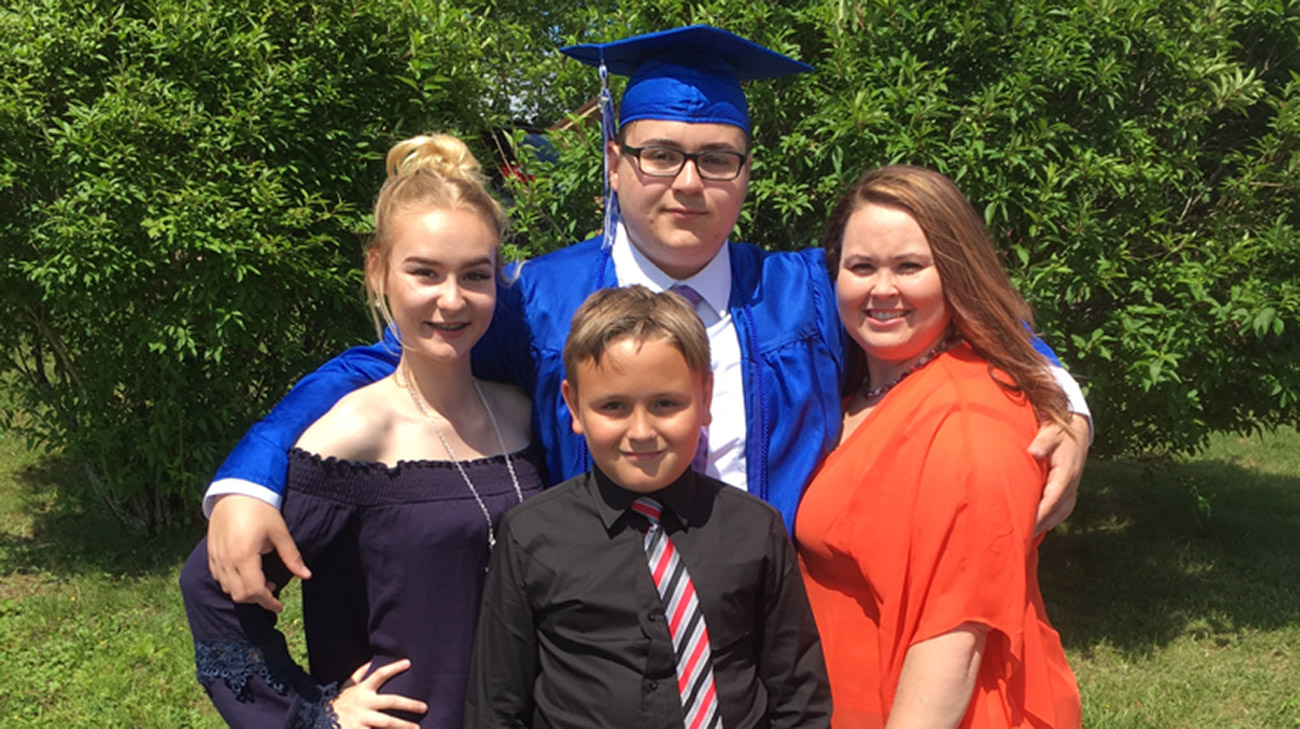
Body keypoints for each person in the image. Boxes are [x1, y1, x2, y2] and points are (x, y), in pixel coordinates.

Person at [199, 25, 1092, 615]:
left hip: (780, 632)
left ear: (747, 174)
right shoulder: (536, 298)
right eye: (660, 153)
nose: (688, 182)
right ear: (616, 165)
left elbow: (959, 312)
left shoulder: (805, 292)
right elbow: (388, 361)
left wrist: (1061, 398)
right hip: (594, 635)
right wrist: (251, 475)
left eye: (717, 158)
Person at [178, 133, 545, 729]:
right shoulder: (352, 436)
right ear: (378, 270)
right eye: (424, 272)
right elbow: (211, 591)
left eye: (474, 275)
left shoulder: (521, 414)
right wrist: (315, 715)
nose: (451, 300)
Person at [463, 285, 830, 728]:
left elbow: (798, 697)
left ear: (706, 398)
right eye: (613, 406)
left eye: (666, 404)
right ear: (574, 405)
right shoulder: (530, 536)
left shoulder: (755, 529)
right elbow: (497, 707)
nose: (641, 431)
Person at [796, 165, 1082, 728]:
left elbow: (955, 636)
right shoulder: (868, 387)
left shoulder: (967, 421)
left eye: (909, 266)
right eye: (861, 266)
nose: (882, 289)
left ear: (954, 272)